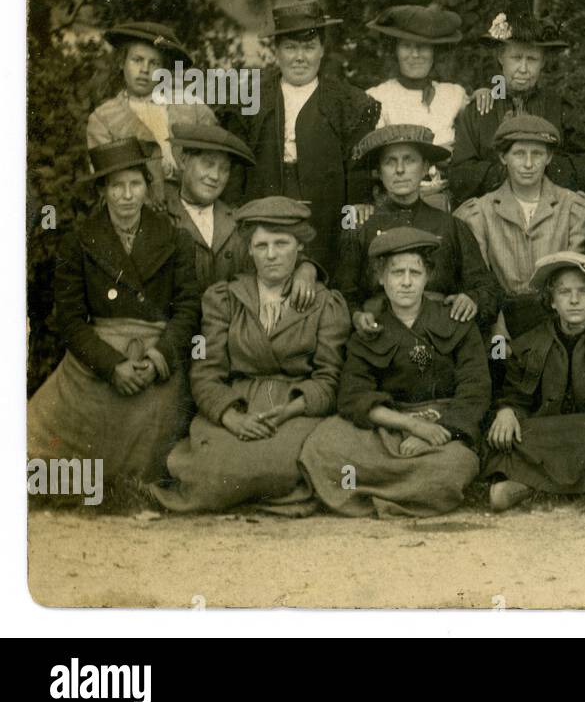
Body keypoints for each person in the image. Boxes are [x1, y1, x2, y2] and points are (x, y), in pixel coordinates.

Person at [150, 197, 350, 514]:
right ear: (249, 249)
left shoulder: (325, 303)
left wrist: (287, 412)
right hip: (237, 402)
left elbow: (330, 378)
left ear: (300, 247)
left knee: (280, 465)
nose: (271, 255)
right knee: (214, 471)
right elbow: (205, 372)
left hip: (296, 409)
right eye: (261, 245)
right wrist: (232, 418)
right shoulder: (222, 299)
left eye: (282, 243)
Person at [28, 139, 200, 500]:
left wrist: (158, 359)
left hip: (155, 358)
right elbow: (70, 319)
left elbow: (187, 310)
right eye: (117, 186)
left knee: (154, 443)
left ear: (146, 187)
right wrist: (111, 365)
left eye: (135, 184)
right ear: (103, 191)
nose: (126, 195)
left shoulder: (175, 239)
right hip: (97, 358)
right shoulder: (77, 243)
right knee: (33, 441)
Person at [300, 228, 489, 517]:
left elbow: (475, 389)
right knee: (322, 446)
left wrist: (431, 433)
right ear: (380, 278)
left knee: (454, 468)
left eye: (415, 273)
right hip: (389, 425)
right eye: (396, 272)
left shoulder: (456, 321)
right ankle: (406, 495)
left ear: (428, 276)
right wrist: (411, 426)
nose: (406, 283)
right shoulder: (368, 330)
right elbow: (353, 397)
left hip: (443, 428)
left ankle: (373, 494)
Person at [484, 252, 585, 512]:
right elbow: (516, 398)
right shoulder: (528, 344)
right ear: (551, 302)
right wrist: (507, 412)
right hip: (549, 432)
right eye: (564, 293)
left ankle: (530, 486)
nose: (574, 300)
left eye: (584, 292)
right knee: (509, 434)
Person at [230, 0, 381, 280]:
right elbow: (237, 159)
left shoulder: (346, 101)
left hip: (326, 205)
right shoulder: (252, 97)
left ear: (322, 50)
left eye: (309, 47)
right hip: (266, 197)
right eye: (290, 47)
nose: (300, 57)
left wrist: (358, 201)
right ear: (276, 51)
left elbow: (358, 164)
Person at [335, 124, 501, 337]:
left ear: (425, 168)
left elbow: (486, 287)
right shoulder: (361, 229)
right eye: (390, 162)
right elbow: (344, 294)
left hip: (441, 336)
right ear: (379, 171)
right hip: (381, 337)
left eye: (409, 160)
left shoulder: (451, 226)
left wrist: (472, 299)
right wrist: (357, 316)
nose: (400, 170)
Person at [454, 115, 585, 341]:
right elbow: (480, 281)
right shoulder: (480, 212)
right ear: (503, 157)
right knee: (500, 364)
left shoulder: (573, 208)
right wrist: (498, 331)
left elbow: (574, 276)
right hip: (501, 323)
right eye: (519, 154)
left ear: (549, 157)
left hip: (558, 321)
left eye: (537, 154)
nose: (528, 164)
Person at [449, 10, 585, 205]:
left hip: (551, 211)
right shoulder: (480, 110)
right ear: (501, 57)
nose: (524, 69)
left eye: (532, 59)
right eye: (516, 58)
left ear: (543, 61)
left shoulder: (559, 107)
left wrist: (539, 170)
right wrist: (506, 173)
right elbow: (459, 174)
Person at [86, 21, 217, 204]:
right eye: (137, 60)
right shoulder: (103, 119)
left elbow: (215, 161)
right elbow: (110, 184)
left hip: (191, 207)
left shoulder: (192, 107)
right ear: (122, 63)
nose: (145, 70)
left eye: (154, 63)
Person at [365, 5, 467, 211]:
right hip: (396, 202)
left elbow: (473, 145)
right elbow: (375, 160)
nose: (415, 54)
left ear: (434, 51)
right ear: (394, 50)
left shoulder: (454, 94)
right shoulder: (377, 97)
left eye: (423, 46)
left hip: (449, 200)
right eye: (406, 46)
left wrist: (485, 94)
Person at [162, 123, 257, 289]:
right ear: (183, 161)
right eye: (208, 164)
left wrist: (306, 269)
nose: (215, 176)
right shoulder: (161, 218)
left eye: (224, 169)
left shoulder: (238, 222)